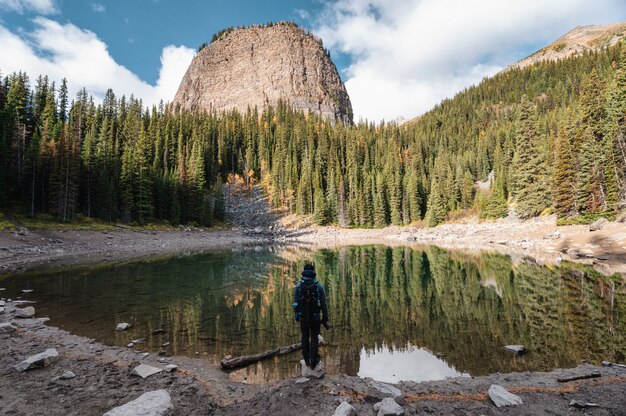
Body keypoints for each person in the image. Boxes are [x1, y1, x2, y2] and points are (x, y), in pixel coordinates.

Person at [293, 263, 328, 369]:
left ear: (304, 272)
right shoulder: (319, 286)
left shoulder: (299, 286)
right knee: (314, 337)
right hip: (315, 317)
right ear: (313, 272)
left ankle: (306, 359)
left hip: (303, 317)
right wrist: (325, 318)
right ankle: (313, 360)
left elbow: (295, 303)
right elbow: (323, 304)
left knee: (304, 336)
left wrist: (297, 316)